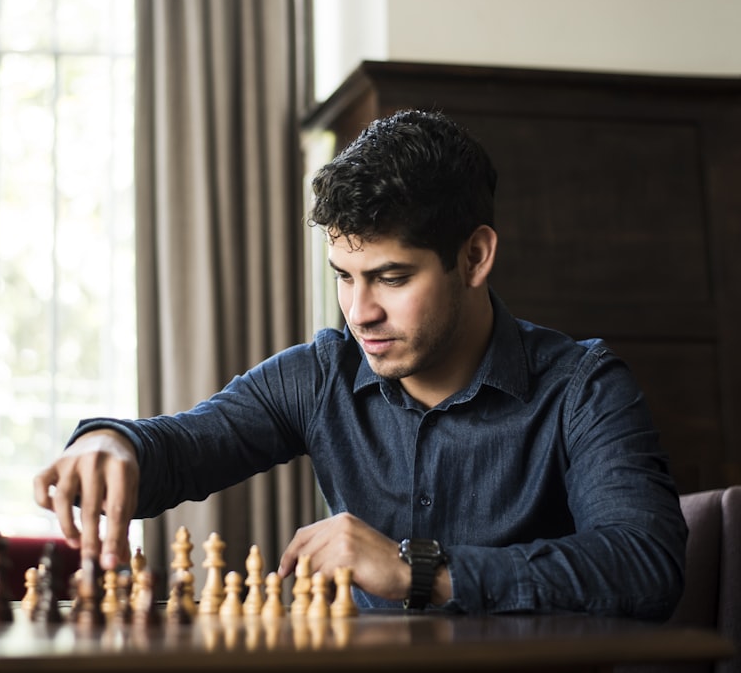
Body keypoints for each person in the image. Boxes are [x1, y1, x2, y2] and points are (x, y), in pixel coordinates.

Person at [34, 109, 687, 619]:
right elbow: (189, 443)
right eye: (344, 277)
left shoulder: (583, 388)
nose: (360, 311)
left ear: (474, 257)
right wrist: (113, 442)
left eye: (390, 277)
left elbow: (646, 563)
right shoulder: (322, 373)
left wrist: (421, 570)